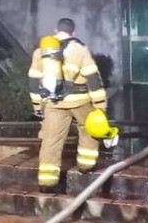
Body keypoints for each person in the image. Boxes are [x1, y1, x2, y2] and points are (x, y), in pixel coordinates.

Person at [28, 18, 108, 194]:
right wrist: (100, 106)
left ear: (56, 30)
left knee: (51, 140)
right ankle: (86, 165)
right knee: (88, 129)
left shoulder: (40, 51)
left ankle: (47, 182)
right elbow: (92, 78)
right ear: (74, 32)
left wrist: (37, 107)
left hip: (53, 103)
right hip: (80, 101)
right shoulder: (80, 49)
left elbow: (33, 82)